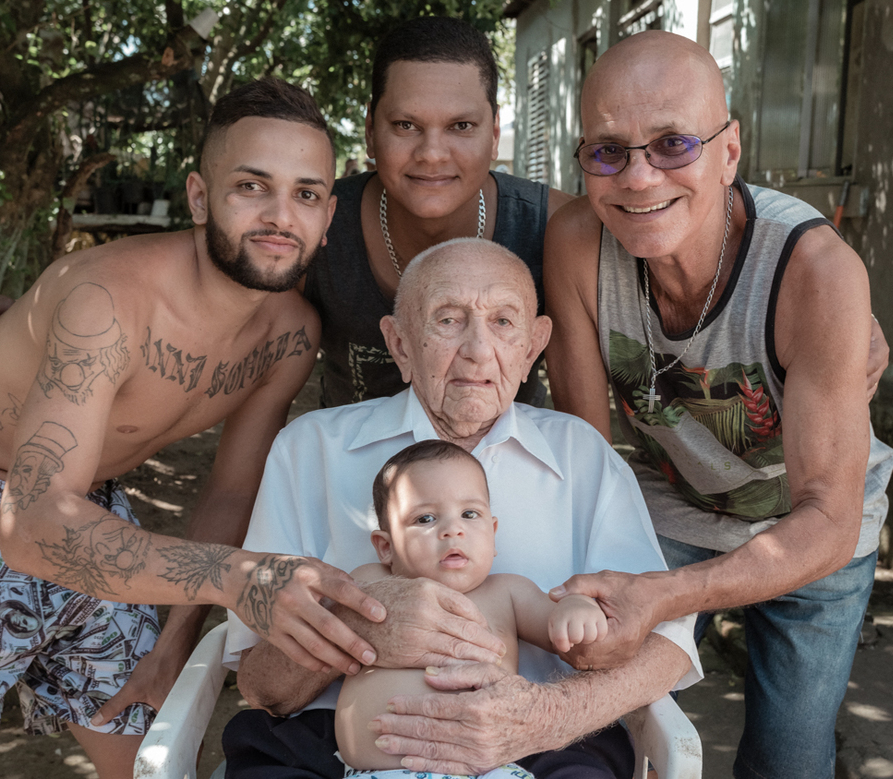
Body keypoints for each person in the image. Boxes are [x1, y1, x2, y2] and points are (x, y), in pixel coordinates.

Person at [0, 77, 398, 779]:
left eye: (306, 194)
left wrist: (176, 642)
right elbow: (33, 525)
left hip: (91, 514)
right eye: (251, 186)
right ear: (199, 196)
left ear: (328, 215)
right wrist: (233, 577)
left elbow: (231, 490)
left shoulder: (291, 335)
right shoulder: (108, 297)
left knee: (152, 757)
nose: (279, 216)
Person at [542, 31, 893, 779]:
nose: (638, 178)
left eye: (673, 144)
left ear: (729, 152)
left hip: (809, 526)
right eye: (608, 151)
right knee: (596, 713)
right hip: (672, 503)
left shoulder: (815, 271)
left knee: (790, 758)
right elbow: (584, 456)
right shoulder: (576, 242)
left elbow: (829, 518)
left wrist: (666, 595)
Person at [222, 238, 701, 779]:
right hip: (338, 741)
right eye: (448, 320)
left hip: (539, 736)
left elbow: (666, 643)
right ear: (400, 344)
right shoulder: (310, 448)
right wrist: (357, 627)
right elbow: (261, 683)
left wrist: (548, 715)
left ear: (533, 347)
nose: (477, 349)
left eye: (503, 322)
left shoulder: (581, 454)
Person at [304, 16, 572, 408]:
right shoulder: (315, 225)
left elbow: (580, 432)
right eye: (405, 125)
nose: (431, 154)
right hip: (347, 449)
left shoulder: (556, 228)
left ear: (494, 133)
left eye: (461, 125)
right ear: (370, 131)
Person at [335, 439, 608, 777]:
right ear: (385, 547)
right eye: (425, 518)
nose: (453, 529)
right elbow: (326, 621)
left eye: (469, 514)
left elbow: (557, 626)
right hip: (379, 773)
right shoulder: (370, 582)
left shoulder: (508, 592)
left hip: (486, 769)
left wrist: (577, 606)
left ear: (492, 533)